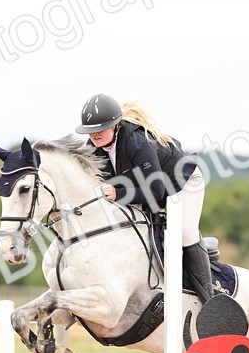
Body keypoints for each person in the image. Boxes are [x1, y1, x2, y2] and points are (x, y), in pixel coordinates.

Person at [74, 92, 214, 304]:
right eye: (90, 131)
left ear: (115, 126)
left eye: (100, 129)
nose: (94, 135)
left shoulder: (137, 142)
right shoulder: (94, 147)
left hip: (183, 183)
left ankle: (209, 300)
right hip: (147, 188)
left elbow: (156, 193)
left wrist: (119, 194)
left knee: (185, 233)